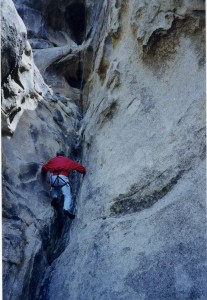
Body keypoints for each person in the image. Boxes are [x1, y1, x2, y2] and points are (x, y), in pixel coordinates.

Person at [41, 151, 86, 219]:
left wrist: (43, 172)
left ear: (57, 155)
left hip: (53, 178)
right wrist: (83, 170)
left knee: (56, 185)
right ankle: (66, 209)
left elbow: (44, 167)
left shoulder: (53, 160)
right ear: (64, 155)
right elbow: (77, 166)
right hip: (63, 178)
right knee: (67, 195)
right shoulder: (67, 160)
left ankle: (55, 196)